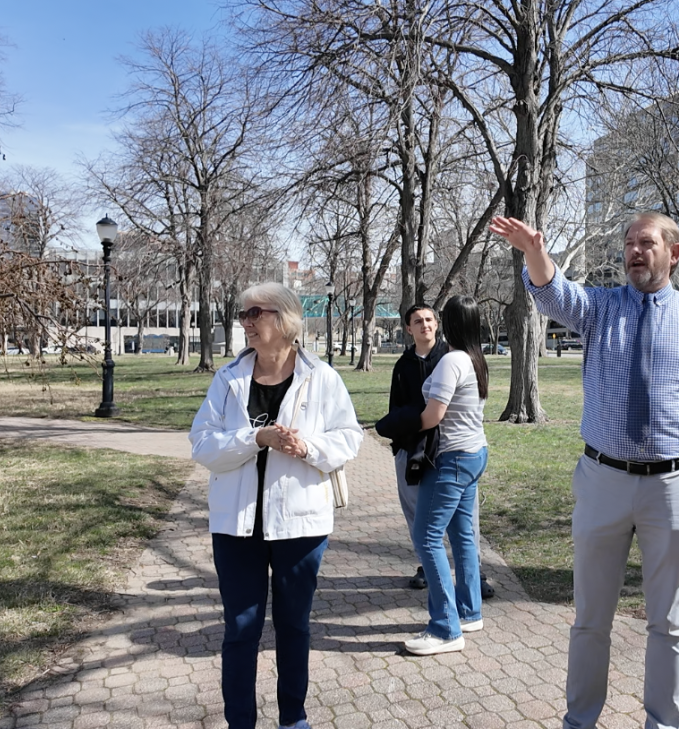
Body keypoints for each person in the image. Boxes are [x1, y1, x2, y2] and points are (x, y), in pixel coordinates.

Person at [489, 213, 679, 729]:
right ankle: (580, 720)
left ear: (673, 253)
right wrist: (533, 252)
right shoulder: (601, 308)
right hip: (602, 480)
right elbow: (553, 294)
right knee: (590, 619)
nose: (635, 251)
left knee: (669, 622)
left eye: (646, 243)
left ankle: (663, 722)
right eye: (629, 243)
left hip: (674, 487)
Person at [189, 282, 364, 729]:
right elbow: (203, 444)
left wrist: (306, 447)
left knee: (293, 627)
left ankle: (293, 718)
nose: (246, 322)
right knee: (241, 630)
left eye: (255, 313)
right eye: (243, 315)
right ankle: (240, 722)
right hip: (236, 526)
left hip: (300, 526)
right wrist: (256, 438)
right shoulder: (228, 379)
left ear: (284, 320)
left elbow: (348, 437)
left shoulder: (322, 377)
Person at [375, 304, 496, 598]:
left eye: (430, 319)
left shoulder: (451, 359)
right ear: (408, 328)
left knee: (438, 531)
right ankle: (454, 592)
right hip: (421, 449)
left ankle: (450, 613)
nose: (425, 325)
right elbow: (398, 407)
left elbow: (433, 415)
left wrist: (405, 421)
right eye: (418, 321)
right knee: (424, 518)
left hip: (448, 453)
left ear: (442, 324)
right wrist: (398, 436)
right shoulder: (404, 365)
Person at [402, 295, 490, 656]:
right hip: (473, 453)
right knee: (462, 535)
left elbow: (433, 415)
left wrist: (402, 427)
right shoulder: (475, 358)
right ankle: (469, 611)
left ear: (449, 324)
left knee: (426, 537)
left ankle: (445, 628)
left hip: (452, 459)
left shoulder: (452, 360)